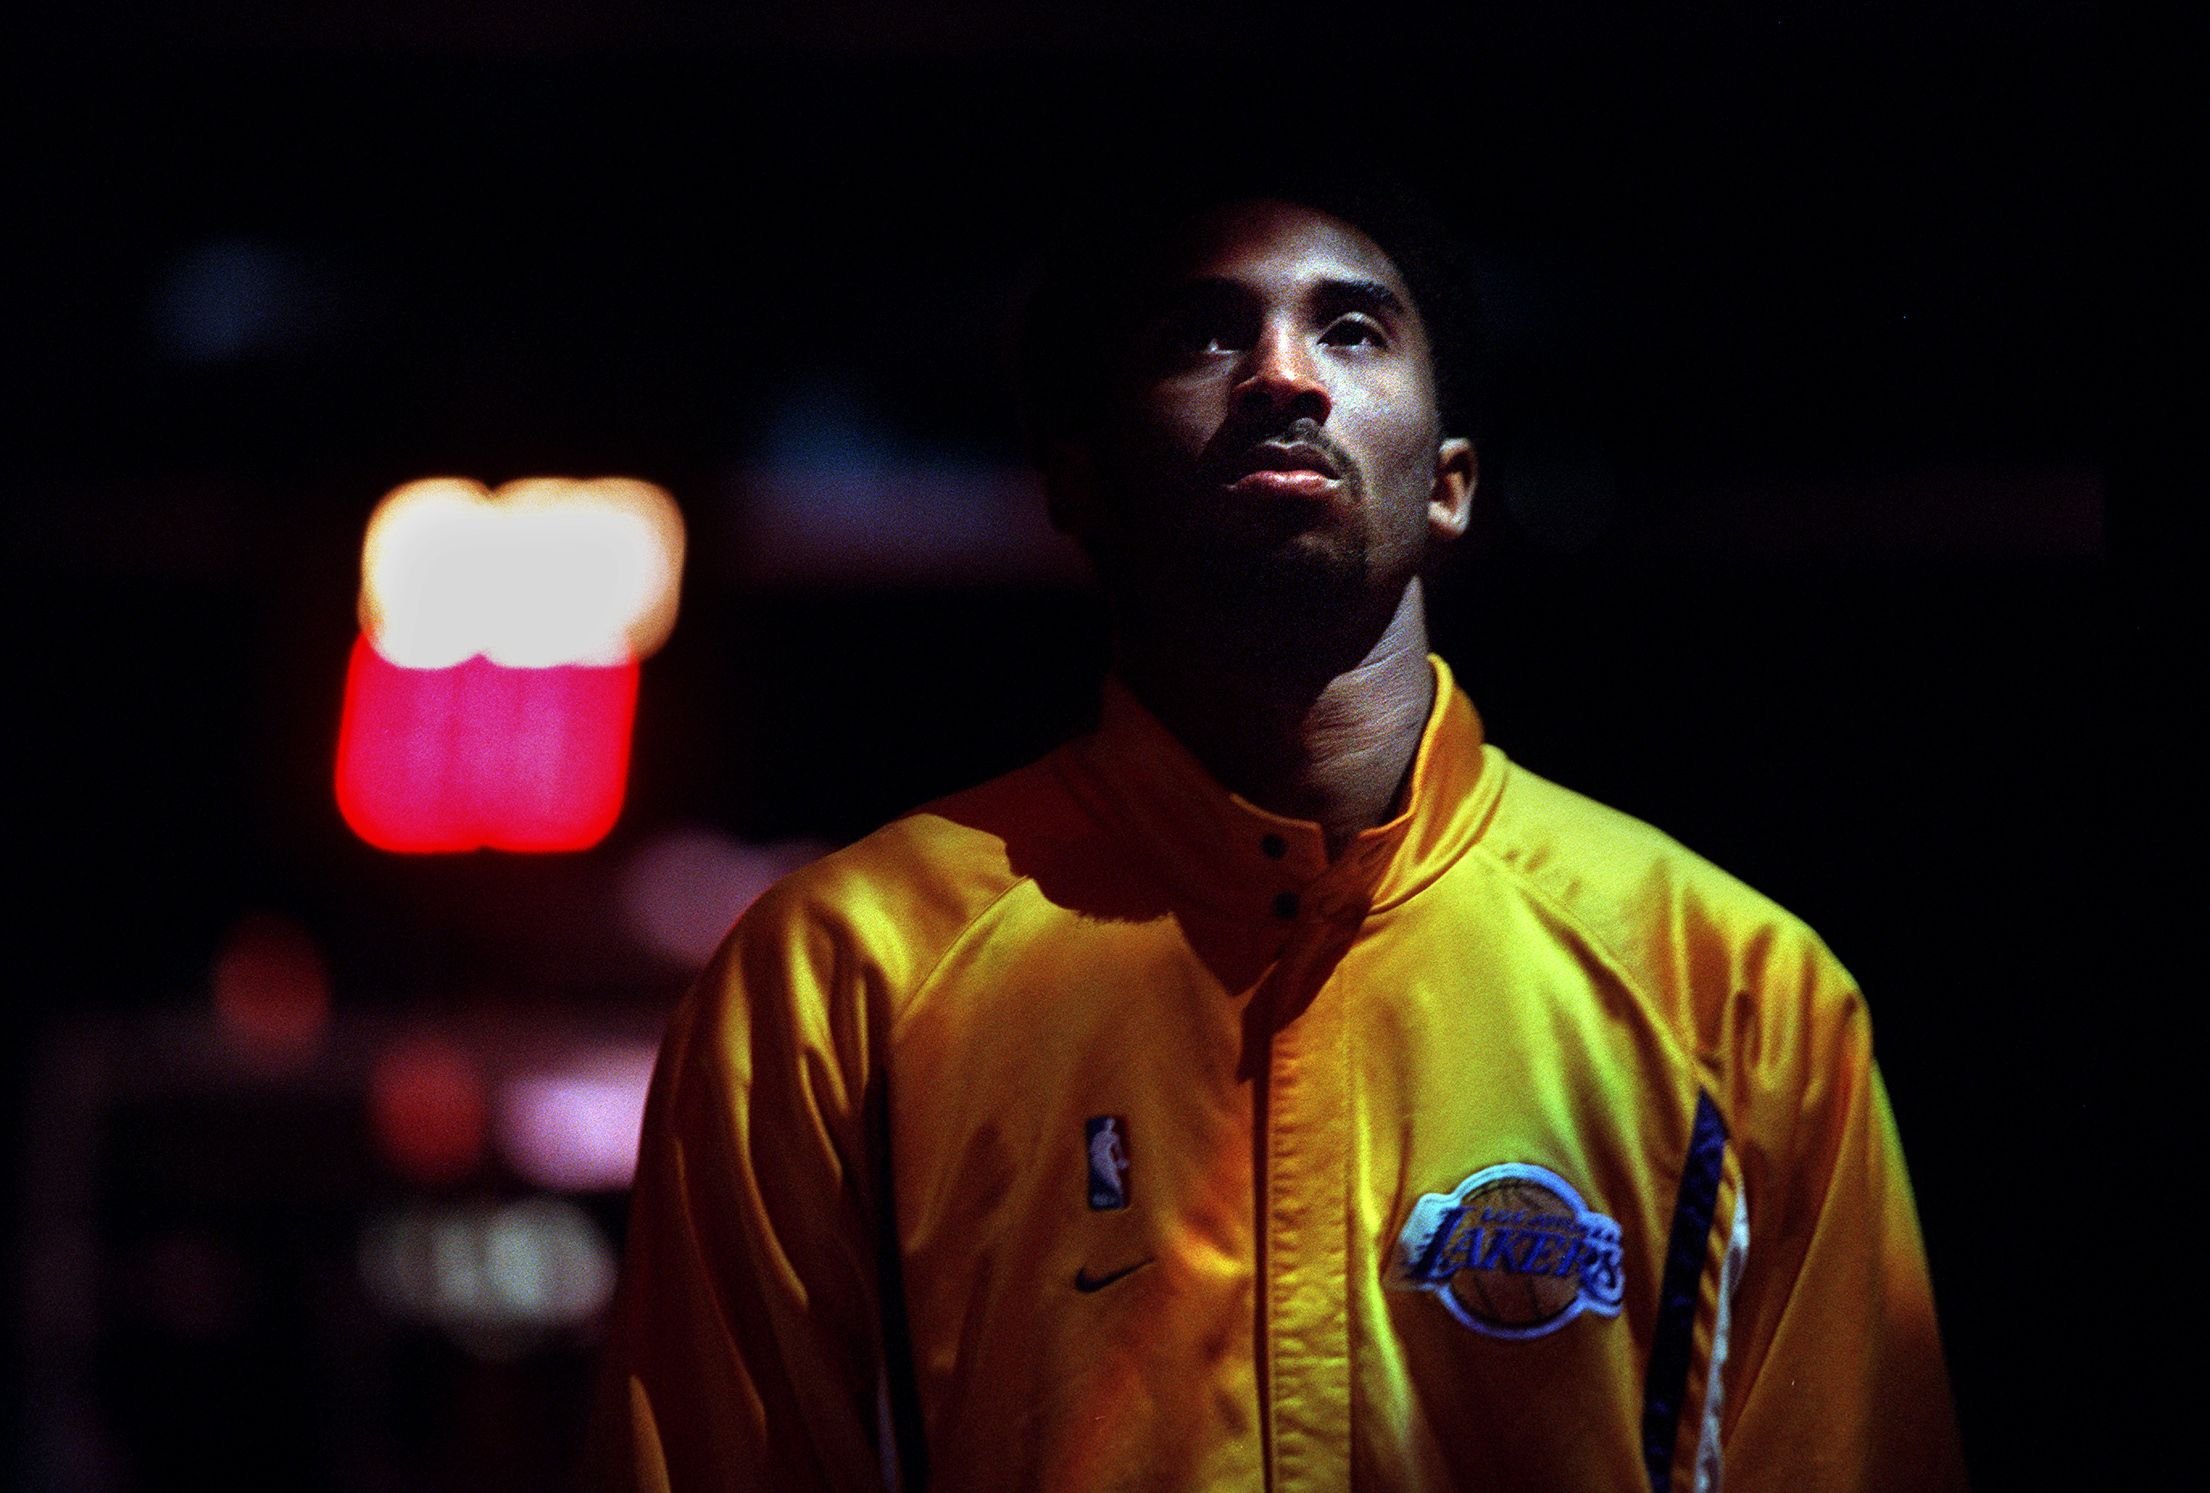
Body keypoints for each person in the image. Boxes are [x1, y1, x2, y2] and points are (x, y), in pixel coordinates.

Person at [589, 166, 1966, 1492]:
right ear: (1079, 482)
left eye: (1352, 328)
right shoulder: (839, 984)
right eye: (1203, 331)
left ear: (1449, 480)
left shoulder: (1734, 993)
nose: (1283, 374)